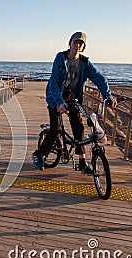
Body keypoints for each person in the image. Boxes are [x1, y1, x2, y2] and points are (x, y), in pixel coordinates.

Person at [32, 31, 117, 173]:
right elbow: (54, 81)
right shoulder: (61, 57)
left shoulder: (84, 62)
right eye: (75, 42)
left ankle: (82, 163)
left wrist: (108, 97)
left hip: (72, 96)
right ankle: (39, 154)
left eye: (81, 43)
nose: (77, 45)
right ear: (70, 43)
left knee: (79, 128)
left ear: (83, 47)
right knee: (56, 128)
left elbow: (99, 78)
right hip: (56, 95)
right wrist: (59, 103)